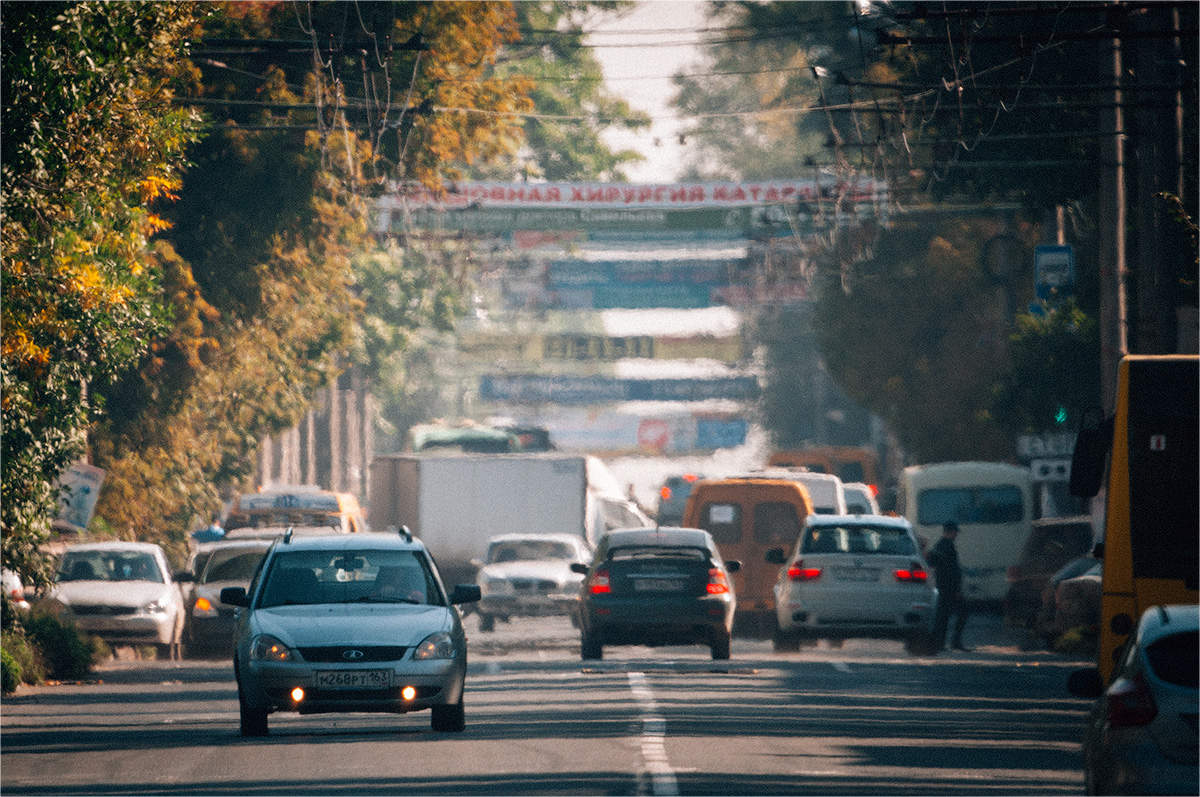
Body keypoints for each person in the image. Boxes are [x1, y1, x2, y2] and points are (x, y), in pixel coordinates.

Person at [928, 521, 970, 652]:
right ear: (951, 532)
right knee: (961, 613)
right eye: (955, 532)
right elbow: (952, 570)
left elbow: (932, 563)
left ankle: (940, 643)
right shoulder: (948, 546)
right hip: (950, 587)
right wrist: (957, 589)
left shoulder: (938, 545)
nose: (956, 534)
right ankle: (954, 642)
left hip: (942, 585)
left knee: (943, 615)